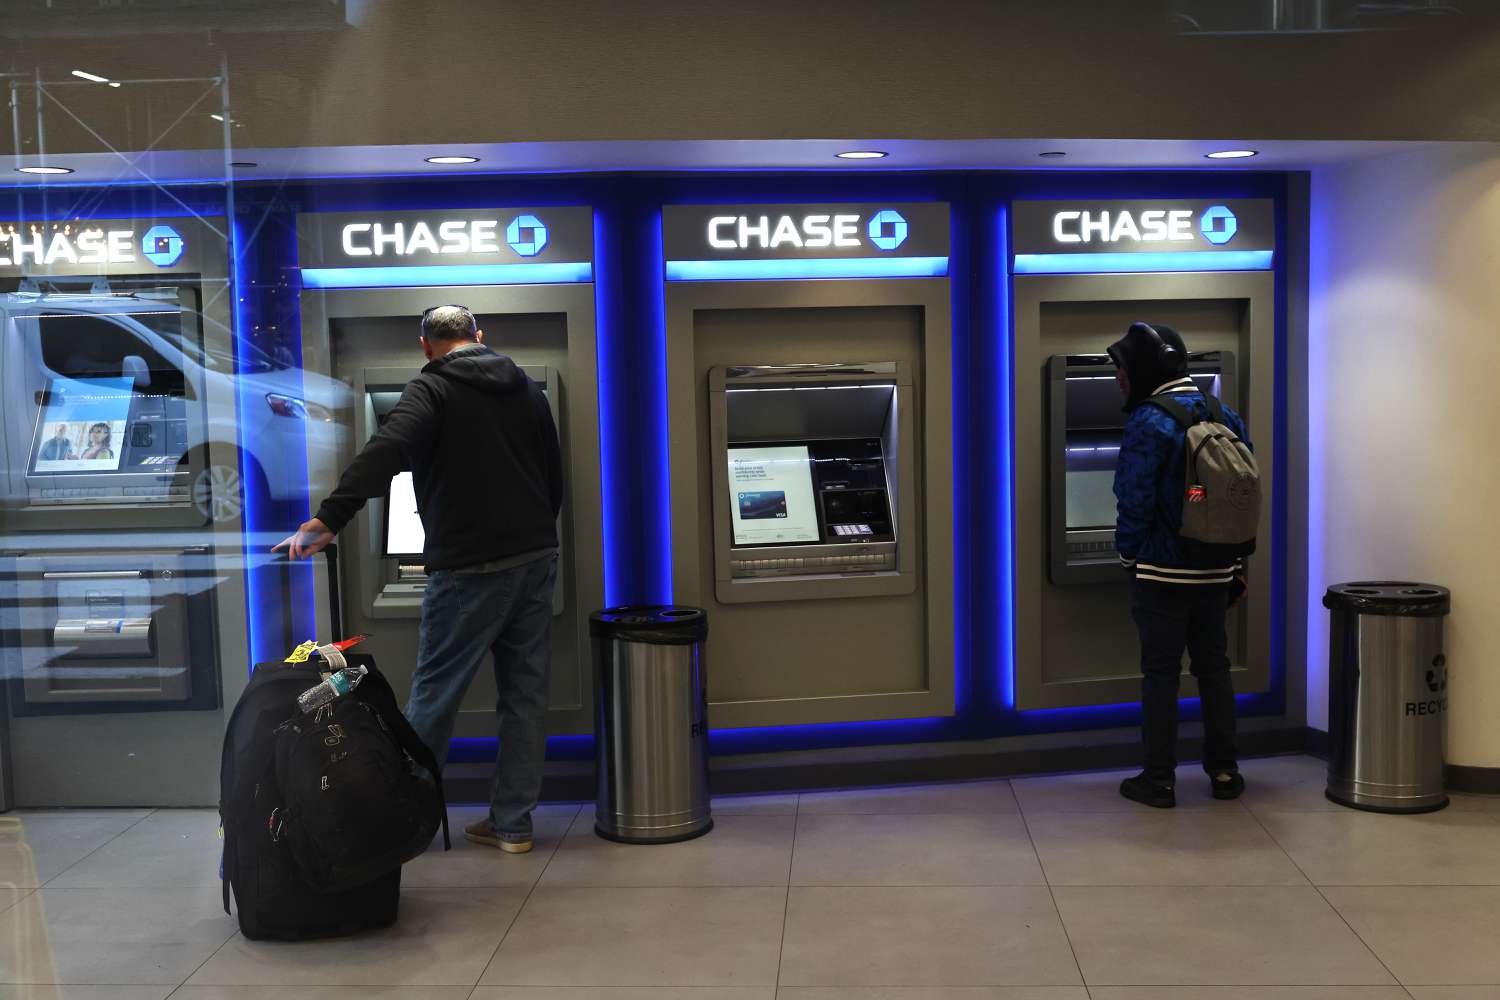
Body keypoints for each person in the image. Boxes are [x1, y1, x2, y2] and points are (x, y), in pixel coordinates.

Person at [274, 304, 563, 854]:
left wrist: (329, 518)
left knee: (434, 698)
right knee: (525, 698)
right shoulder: (525, 387)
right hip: (534, 559)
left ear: (427, 345)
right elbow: (553, 473)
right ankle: (513, 825)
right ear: (480, 337)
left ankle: (400, 824)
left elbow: (387, 449)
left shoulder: (431, 389)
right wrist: (533, 537)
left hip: (469, 569)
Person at [1108, 321, 1251, 809]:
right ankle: (1226, 772)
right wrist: (1235, 562)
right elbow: (1240, 494)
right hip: (1216, 567)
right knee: (1215, 669)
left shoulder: (1149, 421)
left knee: (1161, 673)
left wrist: (1129, 554)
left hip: (1163, 573)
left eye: (1123, 369)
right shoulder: (1223, 413)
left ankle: (1159, 778)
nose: (1120, 379)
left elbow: (1134, 498)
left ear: (1145, 369)